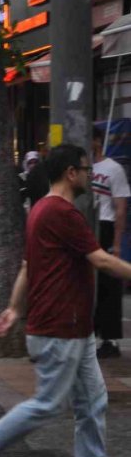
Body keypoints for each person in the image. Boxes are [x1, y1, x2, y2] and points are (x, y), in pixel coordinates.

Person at [0, 143, 131, 457]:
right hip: (60, 326)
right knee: (48, 404)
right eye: (86, 170)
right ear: (71, 173)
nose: (89, 175)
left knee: (93, 400)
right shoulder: (62, 213)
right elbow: (101, 260)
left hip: (74, 327)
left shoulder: (40, 210)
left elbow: (27, 266)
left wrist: (14, 308)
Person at [92, 127, 130, 358]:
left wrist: (116, 243)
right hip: (86, 225)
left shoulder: (113, 169)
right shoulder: (79, 169)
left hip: (105, 226)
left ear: (97, 141)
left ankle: (109, 338)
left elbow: (120, 208)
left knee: (108, 283)